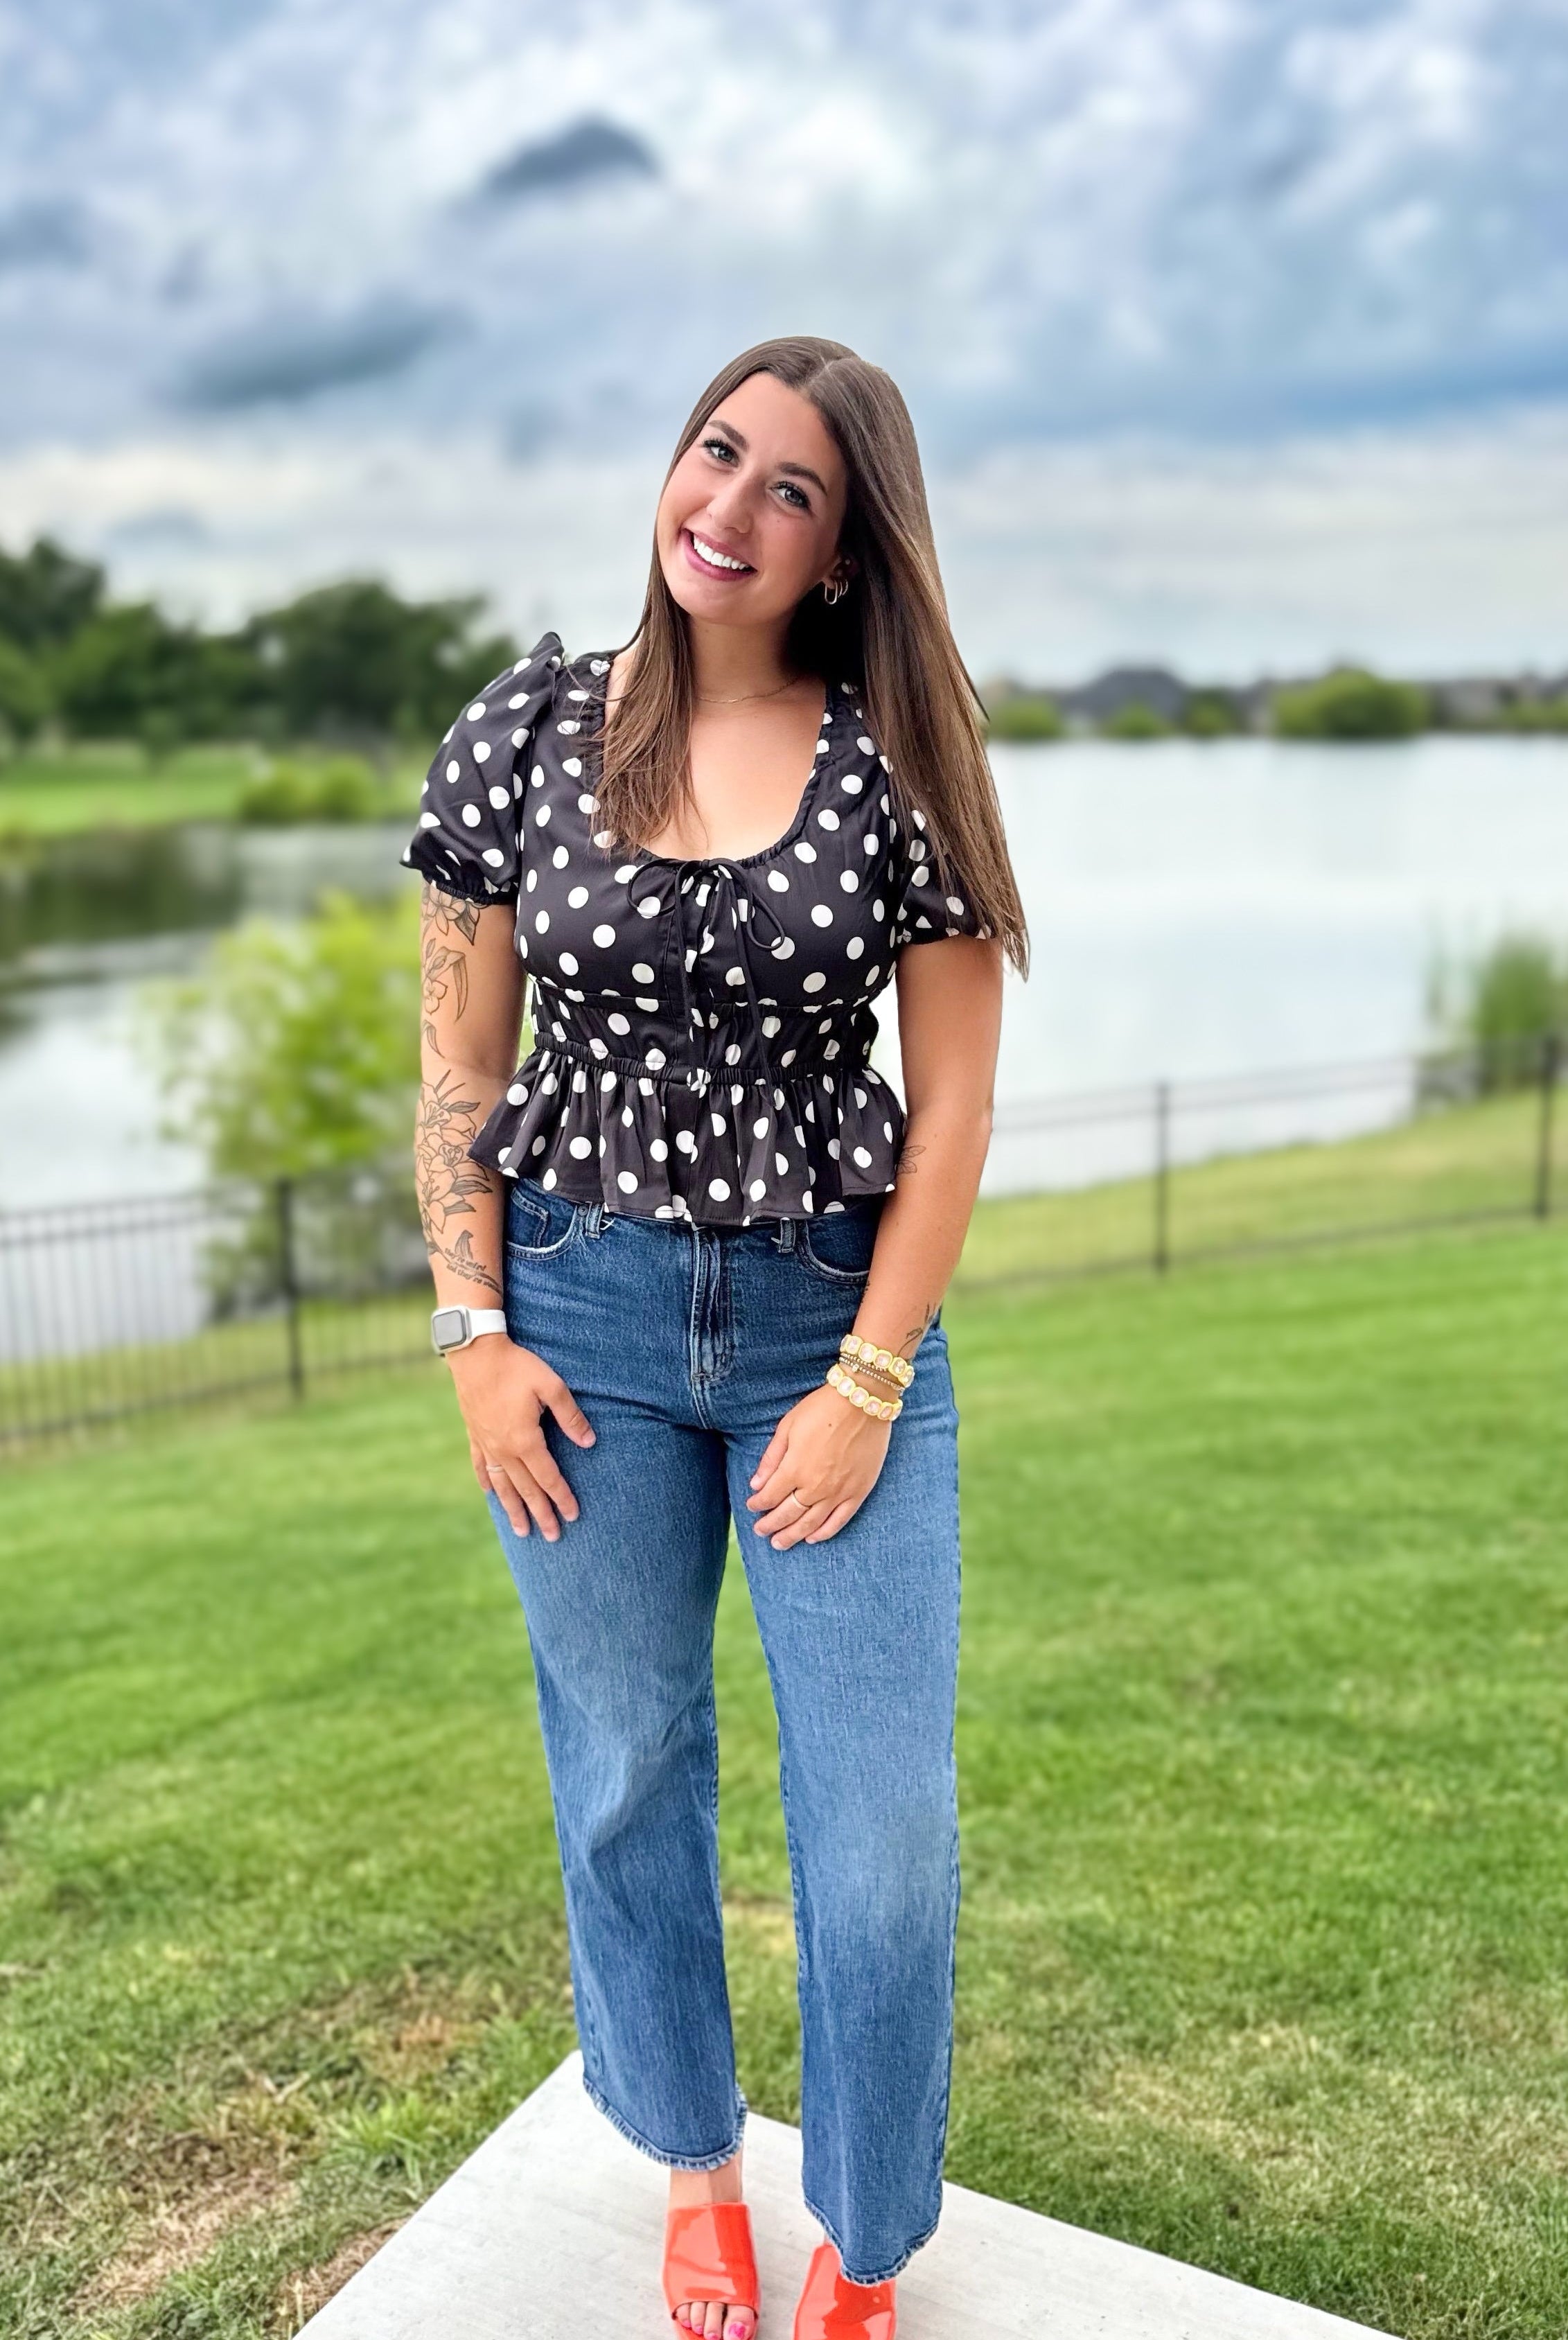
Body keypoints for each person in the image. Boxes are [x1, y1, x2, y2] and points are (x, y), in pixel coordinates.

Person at [405, 335, 1028, 2340]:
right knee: (624, 1764)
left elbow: (954, 1110)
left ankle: (862, 2234)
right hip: (576, 1318)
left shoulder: (900, 760)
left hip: (827, 1326)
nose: (732, 508)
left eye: (794, 490)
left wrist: (866, 1382)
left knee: (882, 1832)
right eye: (718, 452)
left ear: (846, 552)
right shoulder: (525, 730)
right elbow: (458, 1063)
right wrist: (474, 1330)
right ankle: (693, 2168)